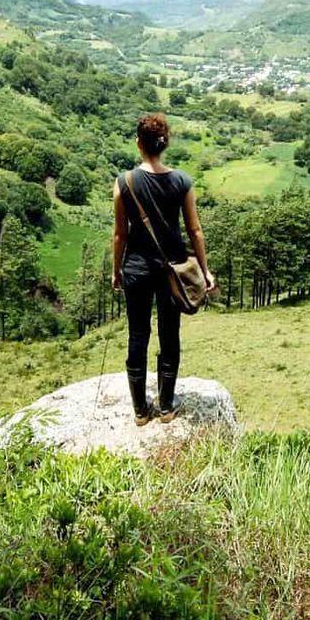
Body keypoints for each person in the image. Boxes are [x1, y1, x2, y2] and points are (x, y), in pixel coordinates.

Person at [113, 113, 215, 425]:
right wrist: (205, 271)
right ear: (164, 144)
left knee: (137, 334)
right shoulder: (183, 182)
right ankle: (167, 406)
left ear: (138, 143)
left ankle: (141, 411)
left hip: (137, 270)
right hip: (173, 271)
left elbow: (120, 234)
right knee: (170, 334)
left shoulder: (124, 183)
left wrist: (116, 270)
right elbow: (195, 231)